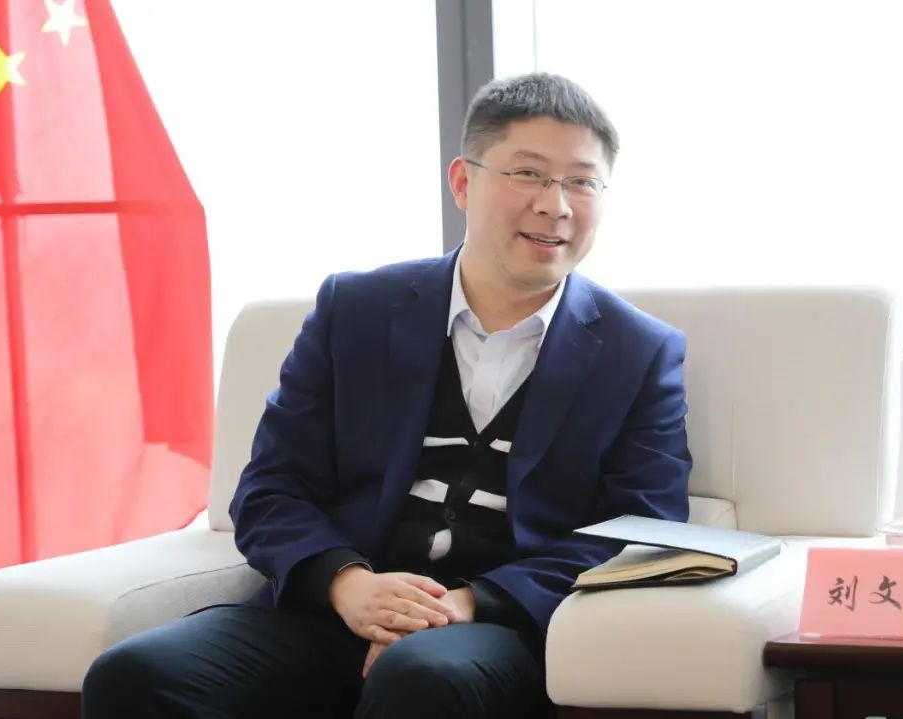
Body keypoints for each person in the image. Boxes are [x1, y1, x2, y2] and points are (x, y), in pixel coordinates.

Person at [81, 72, 691, 719]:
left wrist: (466, 603)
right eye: (529, 174)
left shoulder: (638, 352)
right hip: (337, 604)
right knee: (134, 675)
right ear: (463, 181)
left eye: (581, 182)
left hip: (494, 628)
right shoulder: (355, 310)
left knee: (422, 678)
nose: (556, 205)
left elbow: (640, 530)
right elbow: (270, 487)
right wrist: (347, 583)